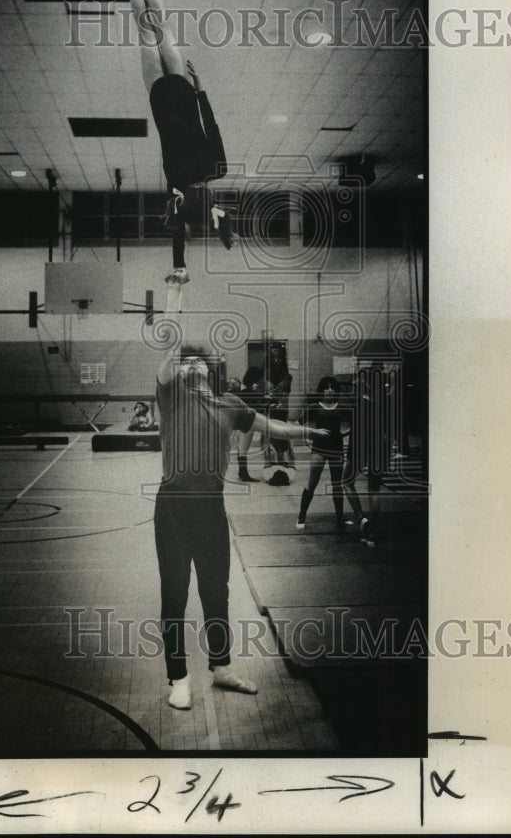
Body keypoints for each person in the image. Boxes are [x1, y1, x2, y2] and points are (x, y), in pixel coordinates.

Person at [155, 279, 324, 710]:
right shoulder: (171, 397)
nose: (189, 367)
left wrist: (306, 429)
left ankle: (221, 667)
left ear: (208, 372)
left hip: (211, 508)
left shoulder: (229, 404)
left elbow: (273, 427)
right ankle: (178, 679)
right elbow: (169, 343)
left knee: (217, 589)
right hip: (173, 506)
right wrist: (175, 297)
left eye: (196, 364)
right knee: (174, 594)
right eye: (184, 364)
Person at [114, 0, 235, 282]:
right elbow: (212, 127)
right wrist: (179, 267)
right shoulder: (187, 183)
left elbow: (212, 125)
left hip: (178, 92)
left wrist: (200, 89)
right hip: (166, 94)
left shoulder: (209, 173)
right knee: (150, 27)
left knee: (156, 26)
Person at [297, 375, 373, 545]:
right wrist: (309, 436)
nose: (329, 390)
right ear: (322, 390)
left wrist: (343, 434)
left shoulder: (343, 407)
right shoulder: (315, 407)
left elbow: (356, 425)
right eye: (326, 387)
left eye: (332, 388)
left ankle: (339, 518)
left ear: (336, 391)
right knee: (312, 483)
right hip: (319, 449)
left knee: (337, 483)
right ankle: (301, 517)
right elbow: (298, 422)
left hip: (336, 449)